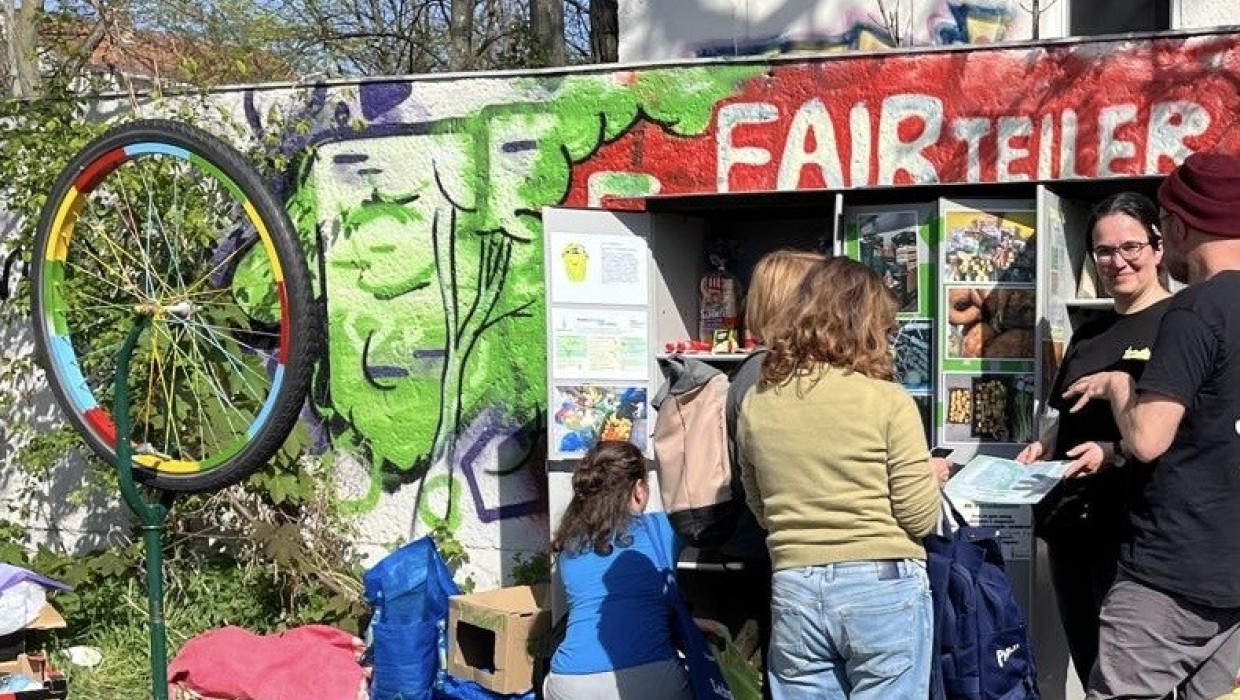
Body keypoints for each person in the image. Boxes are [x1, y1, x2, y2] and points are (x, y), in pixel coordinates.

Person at [1062, 153, 1240, 700]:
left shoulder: (1196, 310)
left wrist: (1120, 386)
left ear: (1177, 227)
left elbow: (1146, 438)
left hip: (1172, 573)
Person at [736, 256, 943, 700]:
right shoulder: (887, 400)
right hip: (881, 583)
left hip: (794, 583)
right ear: (869, 325)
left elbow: (761, 507)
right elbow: (919, 516)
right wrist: (932, 477)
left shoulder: (757, 400)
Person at [1014, 192, 1172, 688]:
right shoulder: (1088, 334)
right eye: (1104, 251)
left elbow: (1189, 431)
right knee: (1090, 669)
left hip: (1135, 534)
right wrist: (1045, 445)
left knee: (1132, 679)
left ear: (1158, 246)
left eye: (1130, 247)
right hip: (1070, 527)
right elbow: (1064, 414)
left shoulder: (1180, 326)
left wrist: (1114, 452)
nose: (1117, 261)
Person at [544, 440, 690, 700]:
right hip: (652, 678)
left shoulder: (570, 543)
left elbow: (614, 606)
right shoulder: (662, 528)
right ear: (638, 490)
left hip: (570, 682)